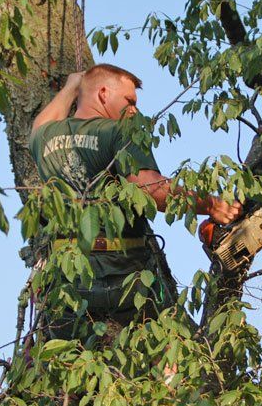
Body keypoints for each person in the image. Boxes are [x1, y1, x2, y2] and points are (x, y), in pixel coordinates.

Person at [29, 64, 242, 340]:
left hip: (66, 283)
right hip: (120, 277)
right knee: (168, 360)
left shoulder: (47, 137)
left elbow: (39, 125)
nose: (134, 111)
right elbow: (150, 189)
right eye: (129, 101)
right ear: (104, 93)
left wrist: (71, 87)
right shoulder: (118, 132)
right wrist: (212, 205)